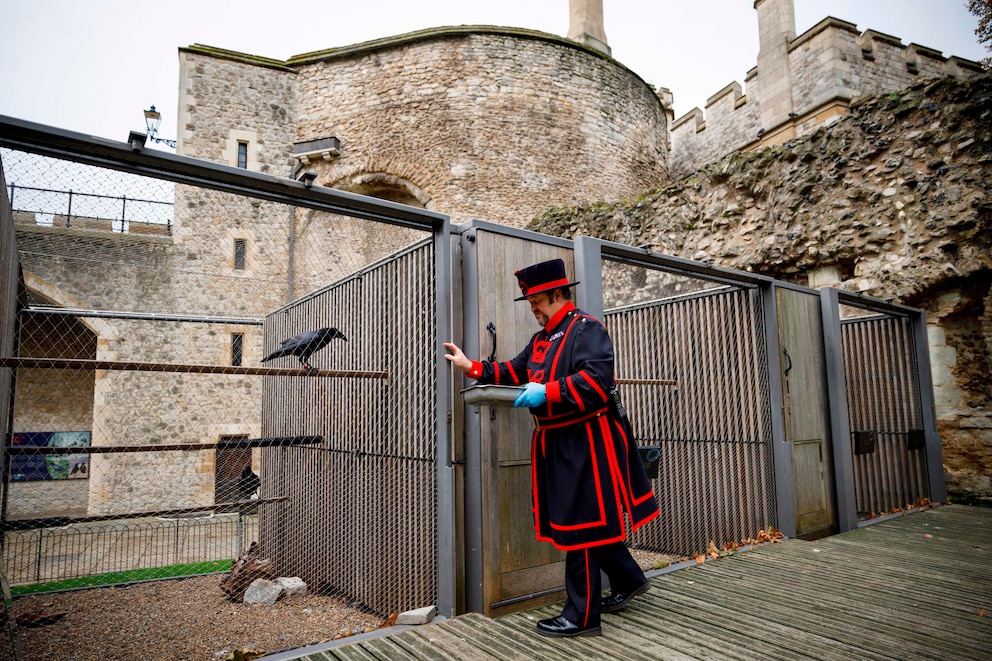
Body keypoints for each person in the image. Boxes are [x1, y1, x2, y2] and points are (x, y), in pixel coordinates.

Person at [444, 258, 659, 638]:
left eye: (537, 301)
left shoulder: (588, 329)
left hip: (587, 444)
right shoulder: (542, 339)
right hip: (557, 444)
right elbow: (515, 370)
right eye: (530, 303)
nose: (533, 309)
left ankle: (581, 617)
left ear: (558, 294)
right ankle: (629, 580)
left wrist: (549, 392)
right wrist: (472, 367)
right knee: (587, 521)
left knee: (582, 528)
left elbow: (595, 382)